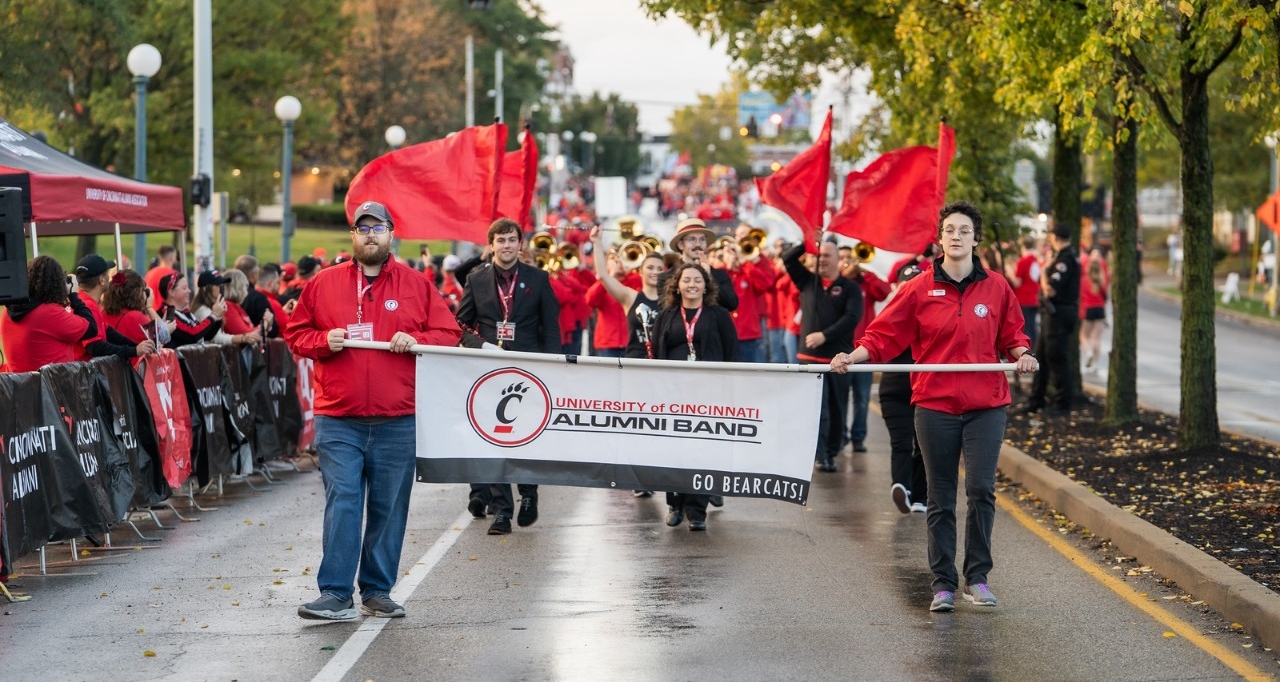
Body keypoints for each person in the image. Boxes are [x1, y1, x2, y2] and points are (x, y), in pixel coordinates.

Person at [830, 200, 1036, 612]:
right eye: (949, 230)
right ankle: (943, 582)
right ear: (939, 240)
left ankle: (977, 577)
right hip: (935, 404)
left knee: (980, 489)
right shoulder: (918, 288)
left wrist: (1022, 354)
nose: (956, 236)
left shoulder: (996, 286)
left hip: (986, 405)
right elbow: (882, 336)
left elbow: (1012, 334)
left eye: (964, 230)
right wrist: (852, 357)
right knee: (940, 495)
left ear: (976, 239)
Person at [284, 200, 461, 621]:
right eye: (362, 228)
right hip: (339, 418)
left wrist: (414, 338)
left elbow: (449, 333)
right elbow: (297, 334)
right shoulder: (324, 284)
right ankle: (335, 593)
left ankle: (378, 589)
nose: (369, 235)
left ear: (390, 234)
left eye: (377, 228)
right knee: (343, 500)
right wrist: (326, 339)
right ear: (353, 236)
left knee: (388, 507)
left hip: (396, 420)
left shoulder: (417, 285)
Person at [456, 217, 561, 535]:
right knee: (496, 438)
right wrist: (483, 346)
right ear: (491, 245)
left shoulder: (538, 278)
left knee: (526, 436)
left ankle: (529, 493)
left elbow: (550, 326)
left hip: (529, 369)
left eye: (512, 239)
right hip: (489, 372)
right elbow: (458, 325)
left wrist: (552, 366)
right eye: (500, 240)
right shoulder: (476, 280)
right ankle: (502, 510)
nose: (506, 245)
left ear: (520, 244)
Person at [652, 261, 738, 531]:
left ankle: (697, 510)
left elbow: (733, 354)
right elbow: (654, 353)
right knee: (674, 451)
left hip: (708, 394)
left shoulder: (719, 315)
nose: (692, 284)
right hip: (673, 395)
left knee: (702, 450)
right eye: (686, 280)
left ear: (706, 285)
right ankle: (675, 503)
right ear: (677, 285)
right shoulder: (666, 315)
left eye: (697, 280)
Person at [782, 238, 861, 472]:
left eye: (827, 255)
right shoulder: (808, 281)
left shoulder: (850, 288)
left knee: (837, 409)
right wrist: (807, 240)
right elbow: (787, 258)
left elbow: (852, 318)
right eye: (818, 255)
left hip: (838, 360)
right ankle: (820, 454)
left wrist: (824, 336)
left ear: (838, 259)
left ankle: (831, 450)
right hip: (809, 360)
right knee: (817, 411)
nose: (821, 260)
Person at [879, 262, 928, 514]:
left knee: (913, 444)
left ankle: (909, 490)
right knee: (912, 443)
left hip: (916, 386)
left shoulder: (929, 312)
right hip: (904, 386)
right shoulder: (893, 313)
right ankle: (912, 492)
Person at [0, 255, 97, 372]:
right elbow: (91, 328)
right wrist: (73, 295)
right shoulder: (50, 314)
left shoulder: (7, 312)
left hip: (18, 386)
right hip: (53, 386)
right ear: (58, 285)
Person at [838, 244, 890, 453]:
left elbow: (884, 292)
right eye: (841, 258)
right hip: (840, 350)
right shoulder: (837, 284)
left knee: (862, 397)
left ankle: (858, 437)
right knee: (840, 399)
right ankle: (840, 436)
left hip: (863, 350)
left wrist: (865, 274)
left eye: (849, 258)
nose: (847, 261)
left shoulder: (864, 281)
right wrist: (846, 275)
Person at [1025, 226, 1080, 416]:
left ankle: (1062, 403)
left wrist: (1043, 273)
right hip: (1052, 315)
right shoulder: (1061, 258)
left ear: (1056, 237)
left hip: (1059, 313)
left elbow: (1050, 289)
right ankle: (1036, 400)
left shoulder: (1065, 260)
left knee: (1057, 358)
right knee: (1041, 356)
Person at [72, 254, 156, 361]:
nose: (110, 278)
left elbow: (109, 332)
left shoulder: (81, 300)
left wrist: (135, 346)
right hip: (80, 373)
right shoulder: (87, 306)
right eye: (107, 274)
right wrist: (133, 351)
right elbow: (95, 347)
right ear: (101, 280)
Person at [661, 217, 738, 312]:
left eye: (702, 239)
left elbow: (732, 304)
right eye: (692, 239)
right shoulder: (667, 277)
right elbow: (664, 310)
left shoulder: (719, 274)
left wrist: (709, 277)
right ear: (681, 245)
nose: (698, 244)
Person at [103, 269, 174, 360]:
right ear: (138, 293)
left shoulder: (104, 313)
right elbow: (160, 340)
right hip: (134, 369)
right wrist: (149, 307)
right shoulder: (136, 317)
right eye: (144, 290)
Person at [158, 272, 224, 348]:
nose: (189, 291)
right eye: (184, 288)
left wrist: (218, 317)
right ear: (171, 292)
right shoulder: (167, 314)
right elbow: (193, 335)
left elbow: (205, 336)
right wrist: (214, 315)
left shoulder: (186, 313)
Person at [1004, 235, 1042, 351]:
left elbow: (1017, 282)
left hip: (1023, 299)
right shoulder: (1035, 261)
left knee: (1026, 329)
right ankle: (1033, 350)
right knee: (1032, 327)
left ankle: (1028, 351)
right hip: (1033, 298)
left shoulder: (1023, 262)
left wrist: (1009, 271)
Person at [1079, 247, 1108, 373]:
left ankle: (1089, 352)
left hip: (1088, 309)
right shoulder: (1102, 281)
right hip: (1100, 309)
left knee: (1084, 336)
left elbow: (1080, 297)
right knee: (1097, 338)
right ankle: (1095, 363)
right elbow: (1105, 295)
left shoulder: (1083, 280)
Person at [144, 244, 179, 311]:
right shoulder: (174, 275)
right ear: (172, 257)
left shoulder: (149, 274)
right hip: (168, 313)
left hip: (151, 313)